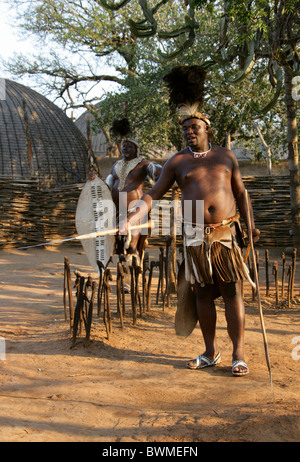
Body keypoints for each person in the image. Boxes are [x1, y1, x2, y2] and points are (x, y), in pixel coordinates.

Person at [119, 69, 260, 376]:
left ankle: (238, 353)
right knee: (203, 295)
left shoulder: (225, 157)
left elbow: (242, 192)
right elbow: (154, 193)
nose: (188, 132)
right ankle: (211, 352)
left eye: (193, 126)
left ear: (206, 127)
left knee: (233, 291)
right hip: (195, 238)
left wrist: (249, 226)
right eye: (184, 128)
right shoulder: (178, 161)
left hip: (224, 235)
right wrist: (132, 217)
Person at [105, 126, 162, 264]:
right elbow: (108, 183)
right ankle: (123, 274)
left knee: (132, 246)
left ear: (136, 150)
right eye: (124, 146)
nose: (125, 148)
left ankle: (132, 275)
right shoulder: (116, 165)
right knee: (119, 246)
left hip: (134, 210)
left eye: (130, 146)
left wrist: (157, 169)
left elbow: (155, 170)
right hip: (117, 210)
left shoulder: (143, 164)